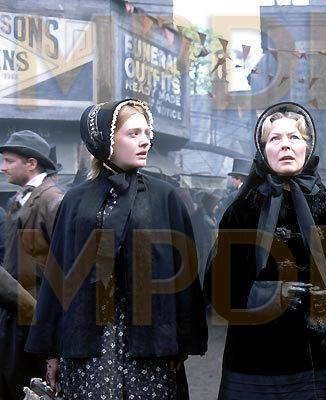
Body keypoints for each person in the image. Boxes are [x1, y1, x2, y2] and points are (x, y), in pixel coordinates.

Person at [25, 99, 208, 399]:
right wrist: (51, 351)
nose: (145, 141)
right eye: (133, 133)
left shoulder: (165, 197)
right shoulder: (75, 201)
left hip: (149, 344)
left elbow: (184, 272)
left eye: (147, 133)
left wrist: (183, 339)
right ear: (105, 140)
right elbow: (58, 275)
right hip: (87, 344)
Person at [205, 102, 326, 399]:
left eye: (294, 137)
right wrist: (271, 296)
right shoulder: (242, 211)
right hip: (260, 357)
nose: (285, 145)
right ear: (263, 151)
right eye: (275, 138)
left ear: (307, 147)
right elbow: (218, 286)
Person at [0, 130, 64, 400]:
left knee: (32, 390)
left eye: (9, 161)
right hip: (15, 316)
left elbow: (63, 267)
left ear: (31, 163)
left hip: (35, 319)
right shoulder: (20, 199)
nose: (3, 167)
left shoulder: (52, 200)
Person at [215, 158, 252, 223]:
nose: (232, 181)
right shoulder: (251, 193)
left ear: (239, 179)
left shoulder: (233, 195)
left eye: (233, 178)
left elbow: (222, 211)